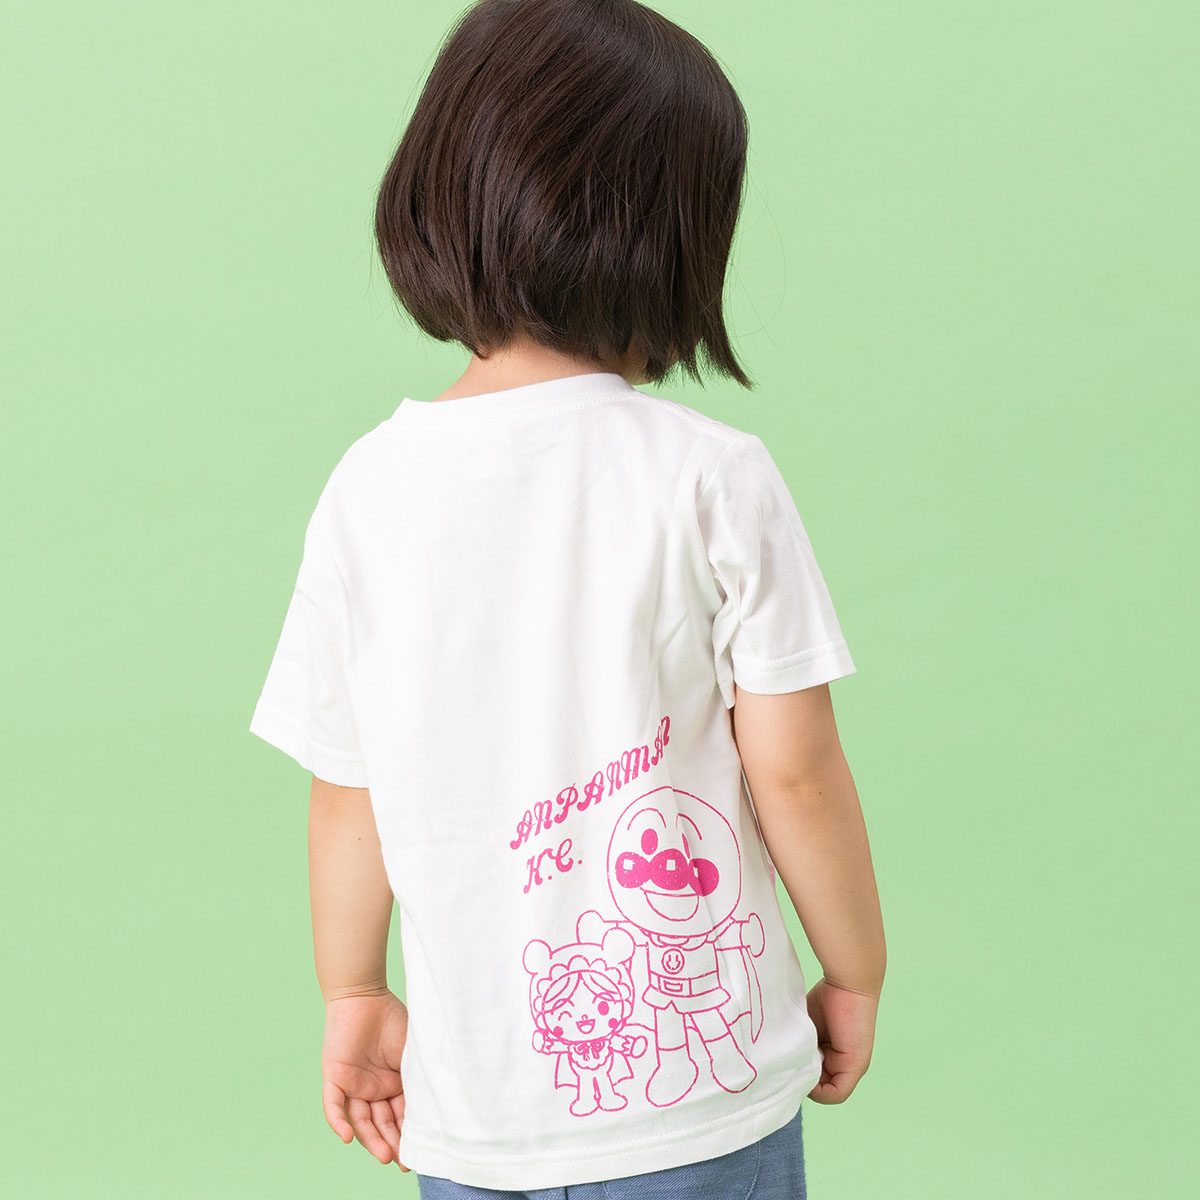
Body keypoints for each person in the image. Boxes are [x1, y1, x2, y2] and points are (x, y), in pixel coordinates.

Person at [248, 1, 886, 1195]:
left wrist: (353, 989)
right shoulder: (712, 475)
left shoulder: (366, 489)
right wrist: (855, 967)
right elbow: (795, 770)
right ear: (674, 239)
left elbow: (348, 789)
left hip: (474, 1117)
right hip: (698, 1107)